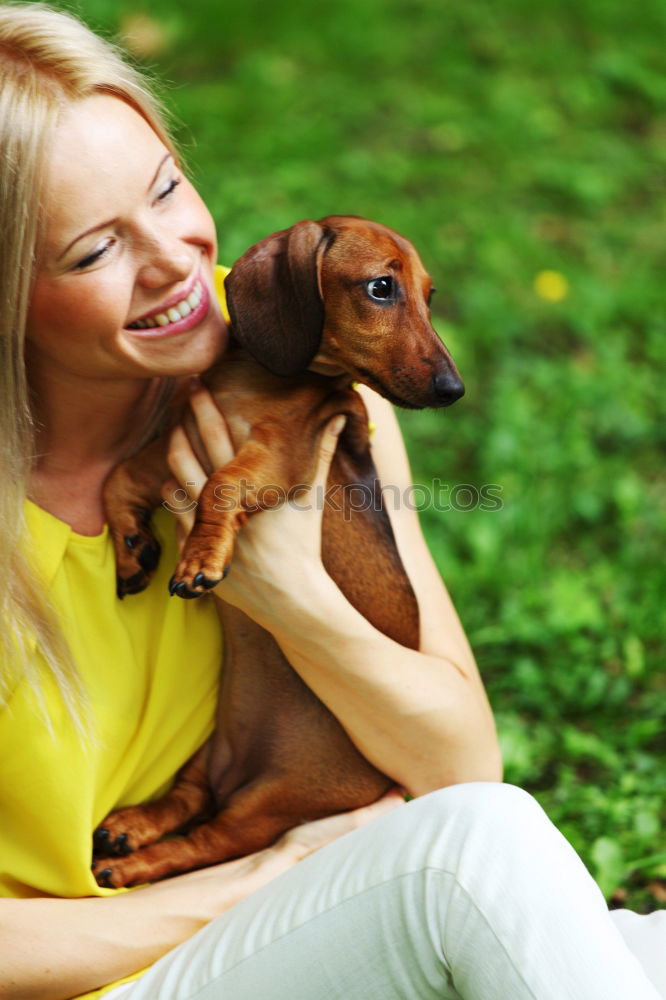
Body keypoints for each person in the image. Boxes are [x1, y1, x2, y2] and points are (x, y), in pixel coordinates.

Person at [0, 4, 663, 999]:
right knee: (473, 860)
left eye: (167, 188)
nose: (178, 263)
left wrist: (288, 590)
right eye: (95, 252)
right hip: (99, 975)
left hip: (284, 918)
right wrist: (262, 875)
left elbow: (457, 760)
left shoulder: (298, 355)